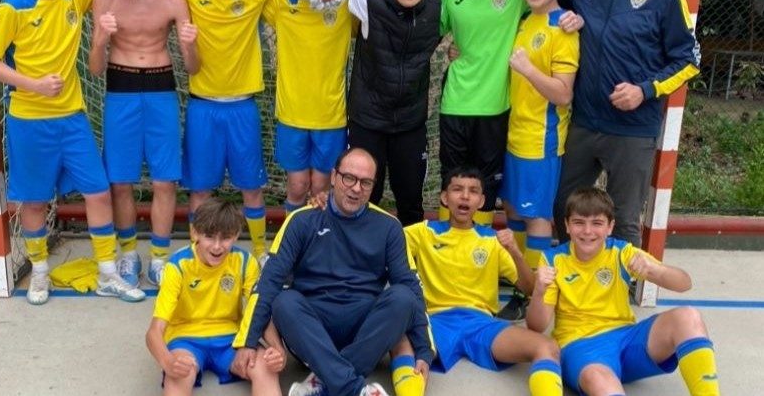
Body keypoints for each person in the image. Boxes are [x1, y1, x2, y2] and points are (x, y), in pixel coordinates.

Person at [0, 0, 145, 305]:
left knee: (98, 191)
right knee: (35, 201)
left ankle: (107, 273)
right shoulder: (13, 7)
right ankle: (39, 272)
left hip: (72, 118)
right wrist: (33, 84)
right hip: (29, 120)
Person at [157, 0, 337, 263]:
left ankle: (260, 253)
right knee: (200, 189)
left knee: (252, 188)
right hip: (202, 107)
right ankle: (198, 253)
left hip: (243, 108)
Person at [552, 0, 701, 248]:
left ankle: (620, 281)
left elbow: (689, 59)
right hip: (583, 124)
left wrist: (644, 90)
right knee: (563, 208)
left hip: (633, 130)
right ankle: (575, 277)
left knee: (623, 221)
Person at [233, 148, 434, 396]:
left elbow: (412, 287)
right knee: (284, 301)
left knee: (403, 297)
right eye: (349, 178)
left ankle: (323, 381)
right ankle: (355, 388)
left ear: (373, 186)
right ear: (334, 176)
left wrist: (424, 350)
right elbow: (268, 282)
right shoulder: (301, 220)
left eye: (365, 182)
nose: (356, 188)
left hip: (365, 333)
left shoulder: (389, 227)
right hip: (312, 330)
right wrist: (247, 341)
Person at [439, 0, 583, 226]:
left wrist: (576, 16)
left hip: (496, 108)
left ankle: (481, 251)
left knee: (486, 188)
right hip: (454, 104)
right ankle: (447, 250)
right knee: (451, 183)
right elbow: (428, 31)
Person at [88, 0, 199, 288]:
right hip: (120, 90)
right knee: (120, 182)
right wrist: (101, 39)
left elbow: (193, 67)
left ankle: (160, 258)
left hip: (161, 89)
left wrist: (190, 45)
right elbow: (94, 68)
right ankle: (129, 255)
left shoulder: (174, 0)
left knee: (165, 182)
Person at [527, 188, 720, 395]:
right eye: (579, 222)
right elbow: (536, 326)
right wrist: (539, 291)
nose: (587, 231)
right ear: (566, 225)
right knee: (600, 380)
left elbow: (684, 283)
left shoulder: (621, 252)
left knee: (688, 316)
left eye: (597, 223)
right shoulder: (553, 260)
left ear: (610, 227)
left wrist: (655, 270)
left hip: (627, 340)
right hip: (581, 348)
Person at [403, 167, 563, 396]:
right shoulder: (423, 232)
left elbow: (529, 288)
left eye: (473, 191)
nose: (465, 196)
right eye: (457, 189)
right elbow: (385, 237)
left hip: (481, 324)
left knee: (547, 347)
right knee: (400, 344)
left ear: (481, 201)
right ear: (445, 198)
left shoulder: (493, 240)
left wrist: (516, 252)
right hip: (436, 321)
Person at [495, 0, 579, 321]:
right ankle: (519, 277)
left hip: (540, 141)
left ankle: (531, 294)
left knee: (537, 218)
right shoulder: (526, 20)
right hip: (512, 134)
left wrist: (528, 70)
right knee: (513, 209)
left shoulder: (564, 29)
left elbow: (563, 94)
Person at [330, 0, 442, 226]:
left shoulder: (437, 9)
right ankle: (358, 250)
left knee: (411, 201)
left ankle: (408, 252)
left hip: (409, 123)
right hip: (368, 121)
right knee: (364, 197)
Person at [146, 198, 285, 396]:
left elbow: (259, 312)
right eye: (210, 237)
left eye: (226, 237)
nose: (217, 246)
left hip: (231, 339)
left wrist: (278, 350)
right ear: (195, 233)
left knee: (265, 367)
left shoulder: (245, 262)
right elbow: (154, 332)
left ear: (236, 235)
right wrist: (167, 362)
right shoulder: (177, 266)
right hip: (186, 340)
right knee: (179, 374)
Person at [262, 0, 355, 215]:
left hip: (330, 115)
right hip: (291, 114)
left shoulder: (344, 4)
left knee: (321, 188)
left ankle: (319, 238)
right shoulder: (278, 2)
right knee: (297, 186)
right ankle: (292, 237)